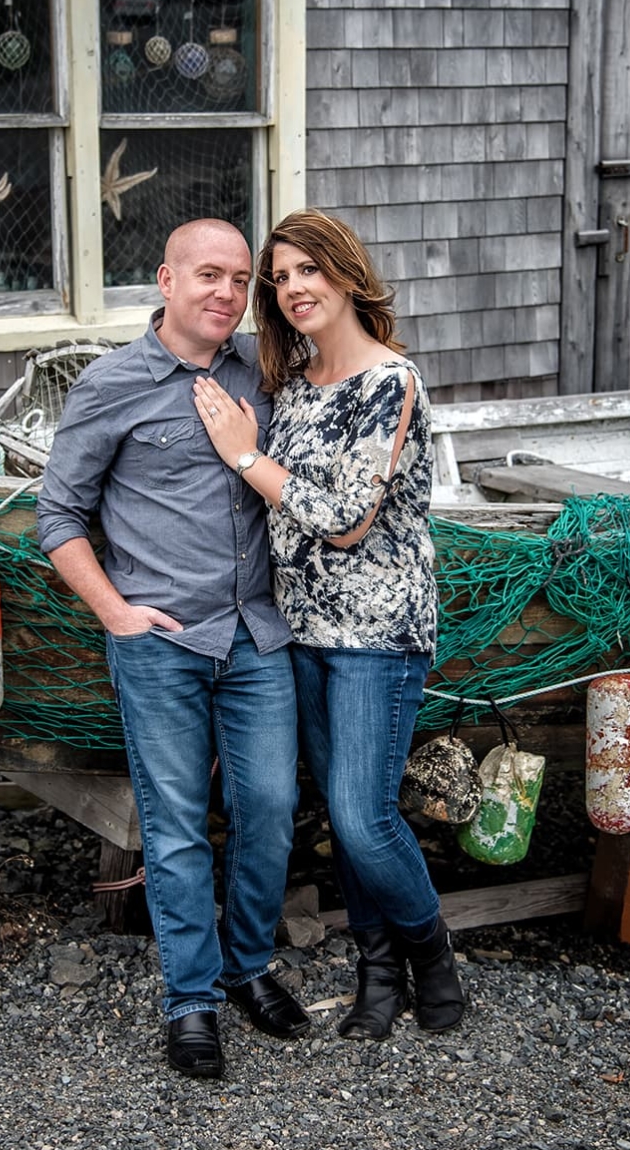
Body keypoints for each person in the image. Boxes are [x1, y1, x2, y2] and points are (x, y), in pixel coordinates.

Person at [36, 218, 309, 1080]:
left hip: (257, 633)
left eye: (239, 278)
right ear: (166, 279)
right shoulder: (111, 385)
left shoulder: (265, 370)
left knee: (270, 806)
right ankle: (190, 997)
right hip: (162, 642)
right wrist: (114, 611)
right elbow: (59, 514)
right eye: (208, 275)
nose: (227, 292)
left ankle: (248, 964)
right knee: (177, 823)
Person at [193, 208, 464, 1042]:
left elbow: (346, 518)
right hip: (300, 628)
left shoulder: (390, 383)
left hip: (378, 633)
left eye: (307, 269)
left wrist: (246, 456)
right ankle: (378, 972)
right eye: (280, 277)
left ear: (345, 272)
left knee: (363, 815)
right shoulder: (295, 382)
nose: (292, 288)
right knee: (343, 819)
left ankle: (433, 955)